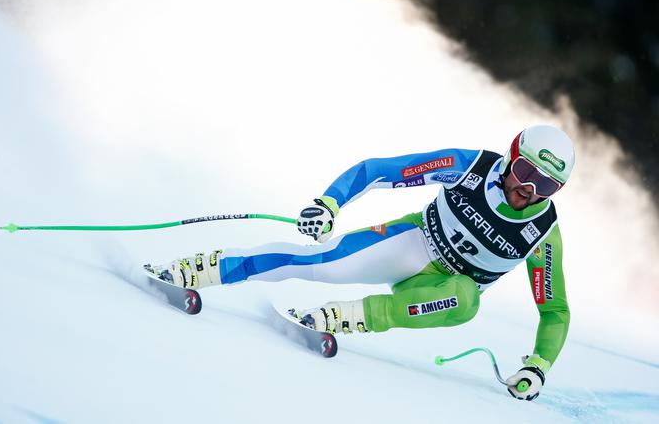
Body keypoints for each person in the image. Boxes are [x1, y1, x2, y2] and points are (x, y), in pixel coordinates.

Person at [147, 124, 574, 401]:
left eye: (546, 185)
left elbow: (554, 309)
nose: (529, 191)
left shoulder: (541, 232)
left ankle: (340, 318)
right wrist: (330, 202)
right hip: (414, 243)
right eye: (525, 172)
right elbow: (379, 170)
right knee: (323, 263)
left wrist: (538, 365)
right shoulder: (470, 167)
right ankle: (200, 270)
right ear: (510, 155)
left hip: (438, 292)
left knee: (466, 300)